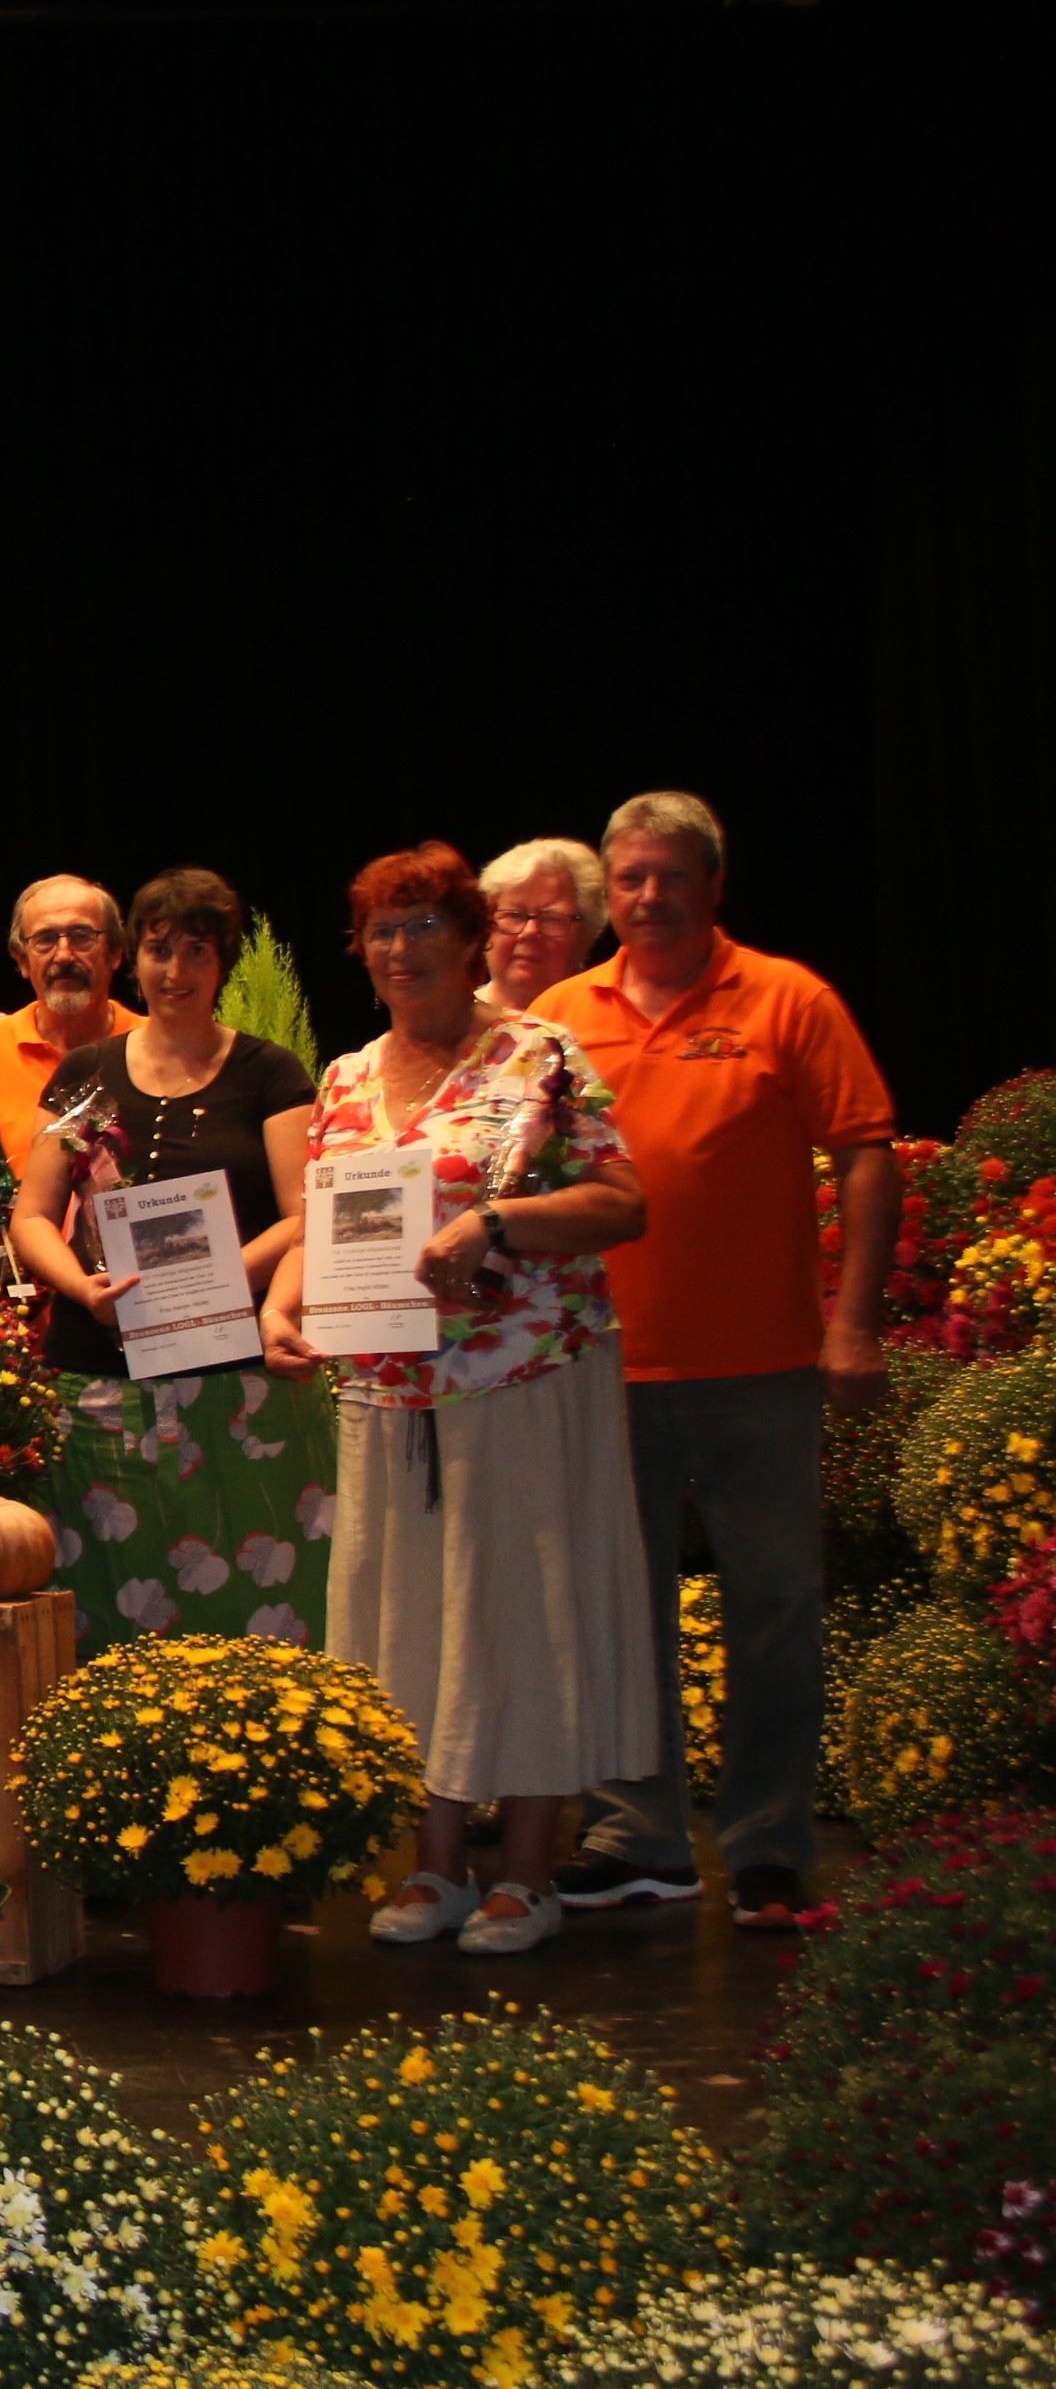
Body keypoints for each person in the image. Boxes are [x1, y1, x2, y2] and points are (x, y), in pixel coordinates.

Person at [260, 843, 655, 1957]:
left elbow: (622, 1201)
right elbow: (322, 1223)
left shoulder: (541, 1055)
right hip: (387, 1400)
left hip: (522, 1385)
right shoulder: (342, 1076)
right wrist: (284, 1308)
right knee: (411, 1634)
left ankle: (525, 1876)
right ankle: (434, 1865)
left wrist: (494, 1223)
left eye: (426, 926)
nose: (401, 950)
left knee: (522, 1620)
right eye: (384, 931)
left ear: (473, 939)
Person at [532, 792, 898, 1931]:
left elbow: (869, 1153)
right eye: (630, 877)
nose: (648, 897)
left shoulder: (790, 997)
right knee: (616, 1611)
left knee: (777, 1606)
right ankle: (639, 1834)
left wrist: (855, 1319)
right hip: (598, 1367)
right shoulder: (557, 1011)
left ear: (712, 885)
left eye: (670, 875)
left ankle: (771, 1846)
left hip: (762, 1364)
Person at [3, 869, 325, 1657]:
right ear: (132, 960)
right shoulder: (84, 1074)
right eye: (158, 951)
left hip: (234, 1388)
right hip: (97, 1383)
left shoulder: (271, 1073)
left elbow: (307, 1217)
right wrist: (80, 1287)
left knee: (255, 1598)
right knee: (109, 1601)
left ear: (223, 963)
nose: (175, 972)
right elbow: (31, 1217)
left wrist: (213, 1287)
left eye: (197, 952)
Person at [0, 873, 143, 1173]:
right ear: (22, 960)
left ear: (115, 952)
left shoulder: (156, 1045)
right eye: (45, 940)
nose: (64, 955)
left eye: (82, 936)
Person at [479, 837, 606, 1014]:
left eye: (551, 919)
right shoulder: (444, 1023)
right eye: (514, 915)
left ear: (587, 933)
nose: (530, 931)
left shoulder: (605, 1020)